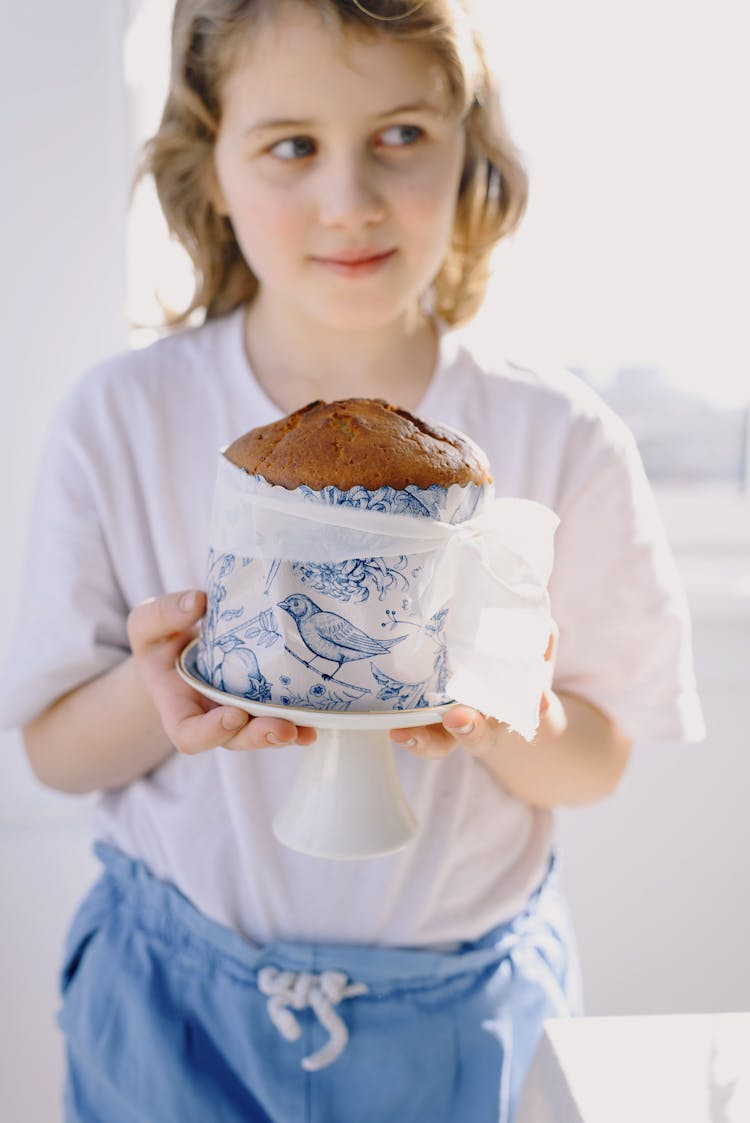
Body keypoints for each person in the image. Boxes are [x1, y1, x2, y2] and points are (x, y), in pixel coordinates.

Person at [0, 1, 704, 1121]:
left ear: (470, 146)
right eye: (292, 145)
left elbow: (599, 759)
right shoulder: (121, 420)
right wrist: (159, 685)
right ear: (211, 170)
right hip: (172, 1012)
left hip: (461, 1024)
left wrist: (509, 706)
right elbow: (51, 752)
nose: (350, 200)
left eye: (401, 135)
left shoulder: (558, 437)